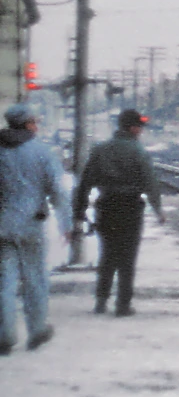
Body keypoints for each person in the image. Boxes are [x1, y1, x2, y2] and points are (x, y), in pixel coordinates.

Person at [73, 108, 166, 316]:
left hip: (106, 206)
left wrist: (79, 211)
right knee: (127, 257)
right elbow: (150, 183)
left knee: (107, 254)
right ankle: (123, 304)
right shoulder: (138, 151)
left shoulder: (100, 150)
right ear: (132, 128)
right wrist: (158, 209)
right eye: (139, 127)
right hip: (131, 208)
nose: (141, 131)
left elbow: (85, 182)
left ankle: (101, 300)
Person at [0, 105, 72, 352]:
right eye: (35, 121)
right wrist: (67, 223)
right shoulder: (42, 152)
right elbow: (58, 191)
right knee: (34, 280)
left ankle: (5, 335)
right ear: (28, 124)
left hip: (2, 226)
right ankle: (37, 329)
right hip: (31, 224)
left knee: (4, 282)